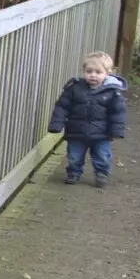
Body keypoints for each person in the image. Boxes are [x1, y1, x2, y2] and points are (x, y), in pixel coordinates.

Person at [48, 52, 126, 187]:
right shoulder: (74, 88)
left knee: (102, 155)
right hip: (77, 131)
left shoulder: (112, 92)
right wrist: (57, 124)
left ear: (107, 73)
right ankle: (74, 172)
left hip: (102, 133)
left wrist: (116, 131)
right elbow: (62, 106)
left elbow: (118, 113)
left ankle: (102, 173)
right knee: (74, 155)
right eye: (89, 71)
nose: (93, 75)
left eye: (98, 72)